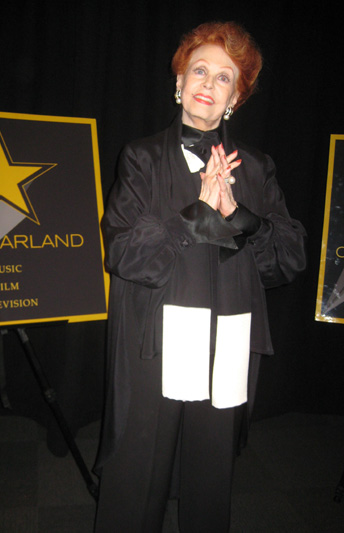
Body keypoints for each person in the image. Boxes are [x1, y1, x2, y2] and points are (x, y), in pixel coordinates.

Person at [94, 21, 306, 533]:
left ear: (236, 97)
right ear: (179, 82)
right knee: (137, 474)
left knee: (212, 478)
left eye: (225, 78)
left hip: (227, 342)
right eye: (200, 70)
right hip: (154, 340)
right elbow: (123, 251)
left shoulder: (256, 167)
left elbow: (289, 259)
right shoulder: (142, 157)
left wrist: (239, 215)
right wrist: (196, 212)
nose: (209, 84)